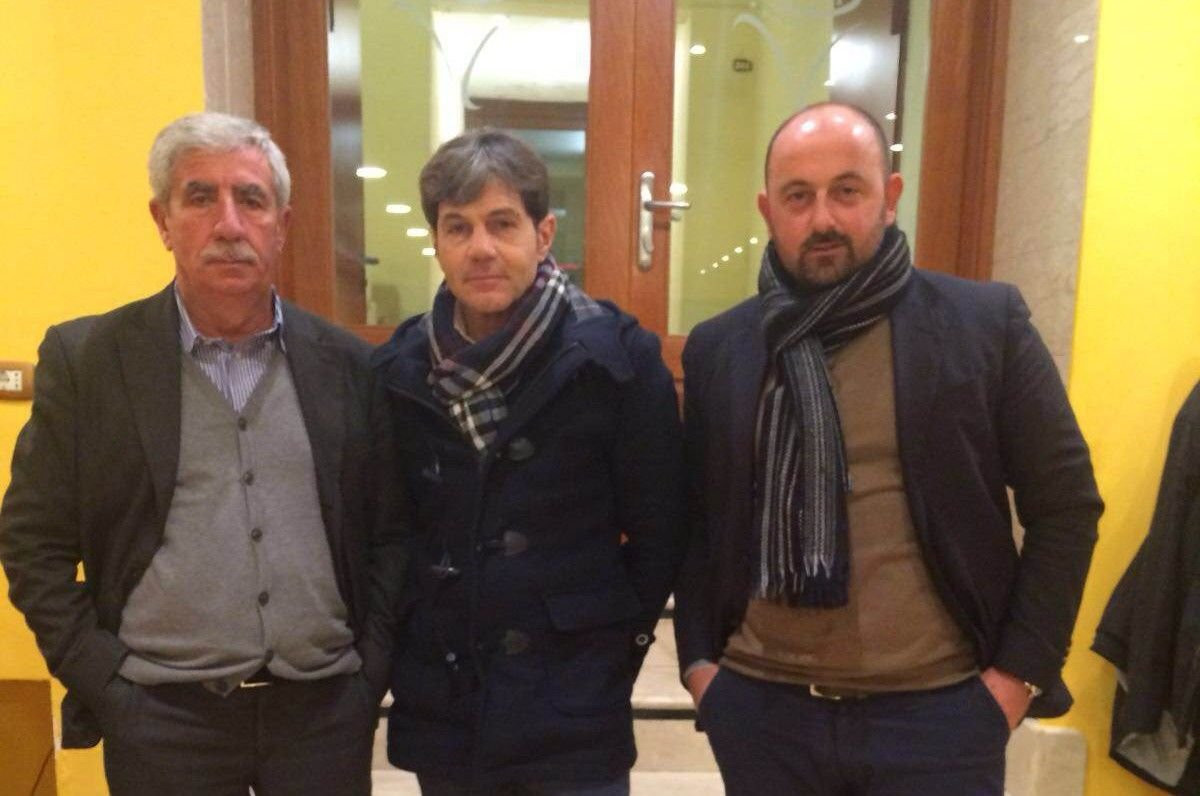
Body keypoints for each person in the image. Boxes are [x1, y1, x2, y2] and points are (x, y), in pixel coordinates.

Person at [673, 102, 1103, 795]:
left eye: (847, 190)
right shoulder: (721, 348)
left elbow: (1067, 506)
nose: (823, 219)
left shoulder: (983, 325)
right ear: (768, 210)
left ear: (890, 195)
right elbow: (696, 521)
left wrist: (1017, 679)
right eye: (798, 196)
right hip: (763, 713)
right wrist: (702, 670)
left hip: (939, 719)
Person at [0, 111, 407, 795]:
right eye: (200, 197)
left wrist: (370, 673)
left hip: (323, 714)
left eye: (251, 199)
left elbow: (393, 534)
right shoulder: (89, 361)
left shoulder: (348, 366)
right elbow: (31, 541)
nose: (229, 224)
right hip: (160, 719)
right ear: (162, 220)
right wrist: (105, 681)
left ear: (282, 224)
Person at [373, 128, 685, 794]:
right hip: (447, 706)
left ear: (543, 236)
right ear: (437, 242)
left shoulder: (617, 361)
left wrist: (612, 650)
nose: (481, 248)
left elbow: (660, 533)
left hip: (572, 705)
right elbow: (387, 532)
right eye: (458, 227)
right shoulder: (398, 371)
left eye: (502, 223)